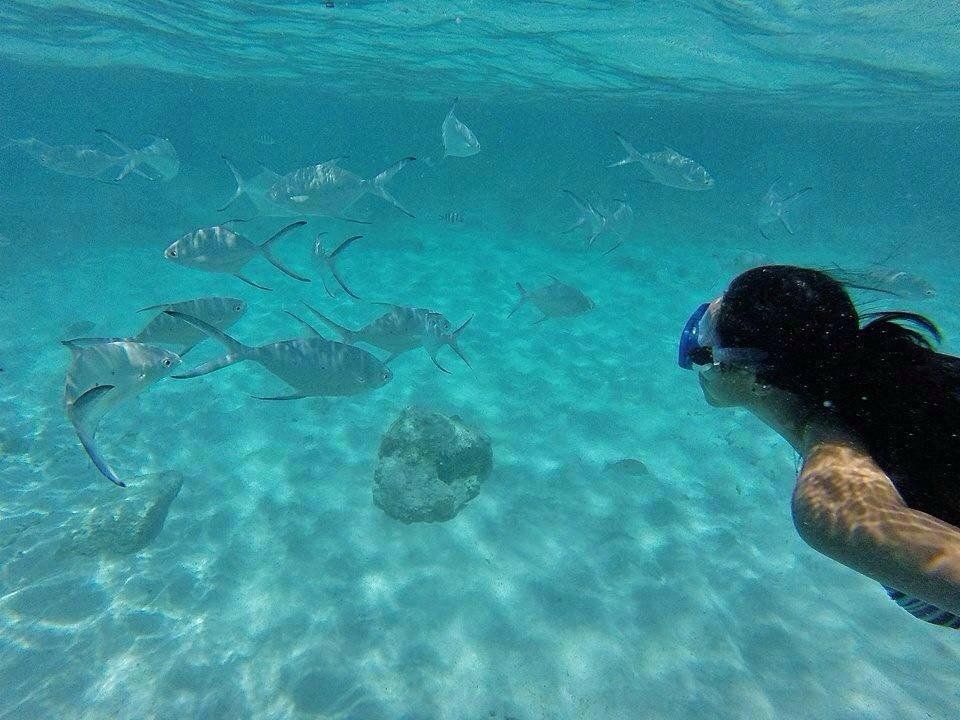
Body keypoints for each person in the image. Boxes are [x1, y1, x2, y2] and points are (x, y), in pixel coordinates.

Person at [678, 265, 960, 627]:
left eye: (704, 351)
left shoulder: (832, 497)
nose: (696, 356)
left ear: (752, 374)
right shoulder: (913, 390)